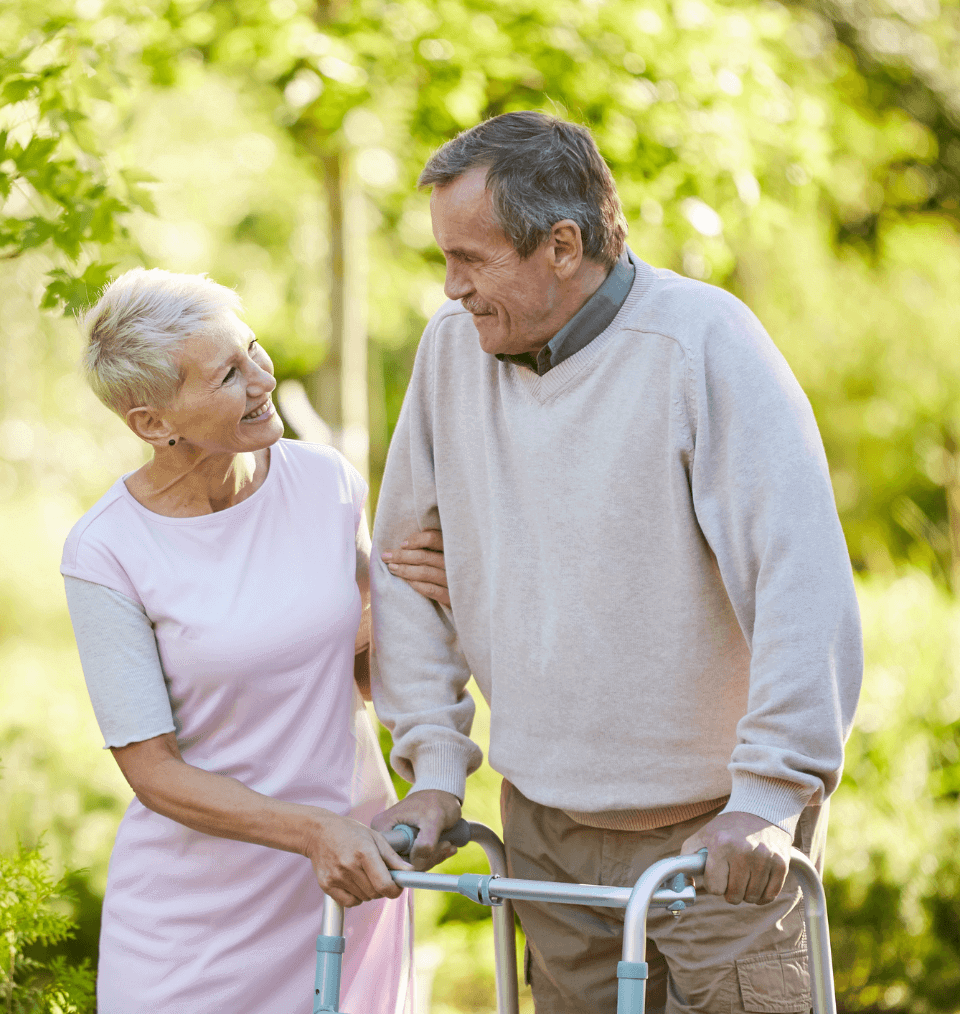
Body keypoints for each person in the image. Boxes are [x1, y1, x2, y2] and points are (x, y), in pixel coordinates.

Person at [369, 111, 864, 1014]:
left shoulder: (702, 345)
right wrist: (434, 770)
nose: (451, 289)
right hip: (547, 836)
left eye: (471, 260)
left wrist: (768, 797)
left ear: (562, 244)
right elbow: (404, 567)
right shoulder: (451, 354)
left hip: (717, 843)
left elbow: (801, 583)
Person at [59, 269, 449, 1013]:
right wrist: (312, 832)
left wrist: (445, 596)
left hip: (347, 883)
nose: (263, 378)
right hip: (198, 924)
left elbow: (366, 672)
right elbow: (153, 773)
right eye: (229, 374)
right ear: (152, 422)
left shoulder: (325, 483)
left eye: (254, 350)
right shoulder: (107, 551)